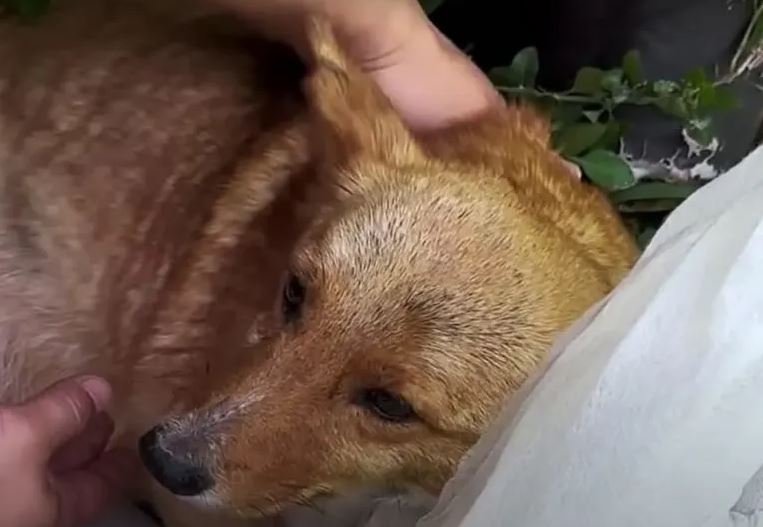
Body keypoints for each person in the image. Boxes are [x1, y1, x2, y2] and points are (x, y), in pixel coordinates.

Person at [0, 1, 502, 526]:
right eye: (295, 295)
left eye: (386, 402)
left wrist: (391, 40)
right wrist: (384, 40)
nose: (186, 445)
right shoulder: (355, 194)